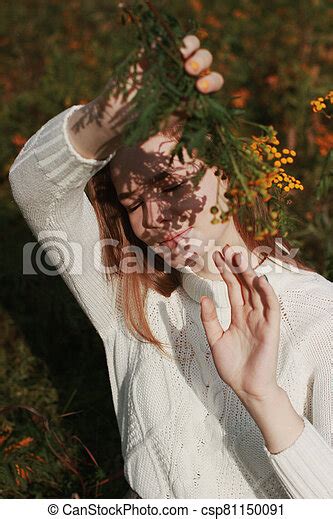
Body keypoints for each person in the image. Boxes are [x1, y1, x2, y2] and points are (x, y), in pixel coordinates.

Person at [8, 34, 333, 499]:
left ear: (228, 168)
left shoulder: (321, 317)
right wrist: (104, 117)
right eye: (132, 201)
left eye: (169, 183)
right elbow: (33, 187)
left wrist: (264, 399)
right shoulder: (132, 297)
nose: (154, 218)